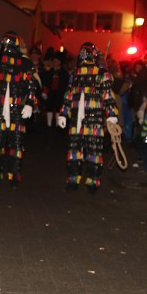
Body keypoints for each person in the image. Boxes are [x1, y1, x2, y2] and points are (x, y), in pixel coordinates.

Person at [60, 42, 120, 193]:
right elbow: (68, 95)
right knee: (74, 151)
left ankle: (93, 181)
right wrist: (63, 112)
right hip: (76, 120)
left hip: (94, 119)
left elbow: (108, 96)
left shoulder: (102, 74)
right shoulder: (75, 74)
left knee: (94, 152)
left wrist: (112, 114)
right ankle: (73, 179)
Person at [0, 32, 38, 186]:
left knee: (16, 142)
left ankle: (15, 174)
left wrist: (29, 104)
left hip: (18, 109)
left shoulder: (25, 64)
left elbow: (31, 86)